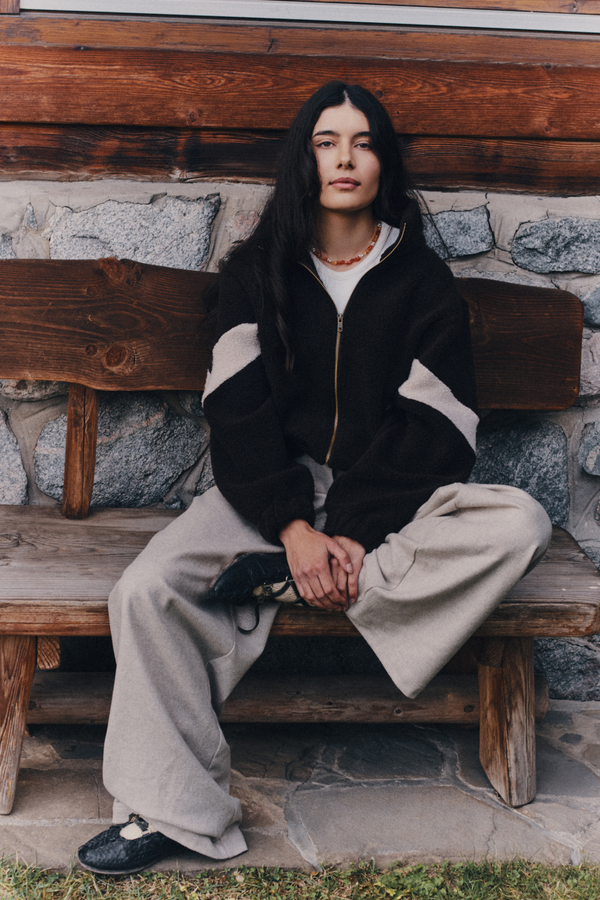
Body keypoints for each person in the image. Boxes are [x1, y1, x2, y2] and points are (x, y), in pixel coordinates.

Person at [77, 81, 552, 875]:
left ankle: (292, 583)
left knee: (522, 523)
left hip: (388, 500)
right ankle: (174, 811)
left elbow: (438, 427)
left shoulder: (423, 282)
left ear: (383, 163)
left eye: (363, 142)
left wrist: (353, 533)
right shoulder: (255, 274)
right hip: (273, 494)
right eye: (327, 142)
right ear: (304, 161)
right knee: (145, 588)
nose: (345, 158)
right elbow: (237, 410)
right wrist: (294, 527)